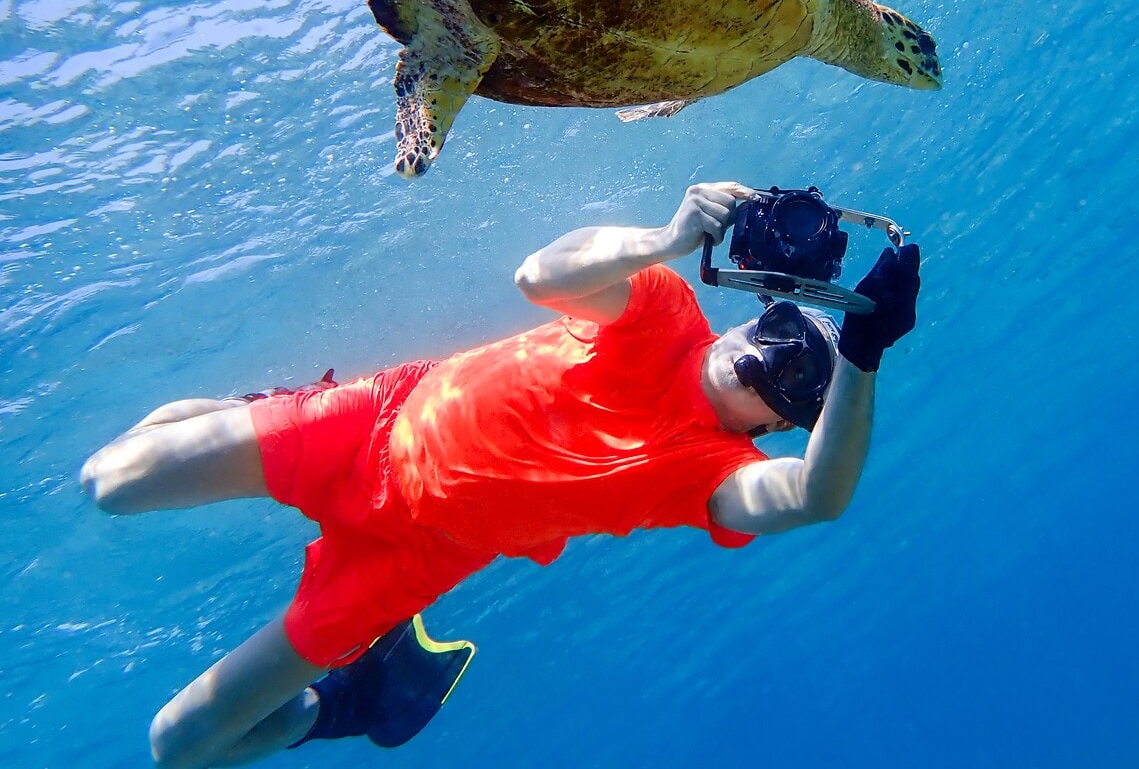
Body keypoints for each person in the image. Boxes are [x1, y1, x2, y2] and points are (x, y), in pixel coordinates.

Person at [80, 181, 921, 769]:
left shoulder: (710, 472)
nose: (764, 355)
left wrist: (862, 356)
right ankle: (263, 408)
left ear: (778, 424)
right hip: (369, 423)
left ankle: (350, 704)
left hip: (407, 562)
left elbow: (817, 495)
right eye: (777, 327)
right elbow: (538, 276)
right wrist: (669, 233)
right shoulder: (663, 311)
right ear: (753, 305)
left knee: (178, 746)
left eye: (796, 375)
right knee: (110, 481)